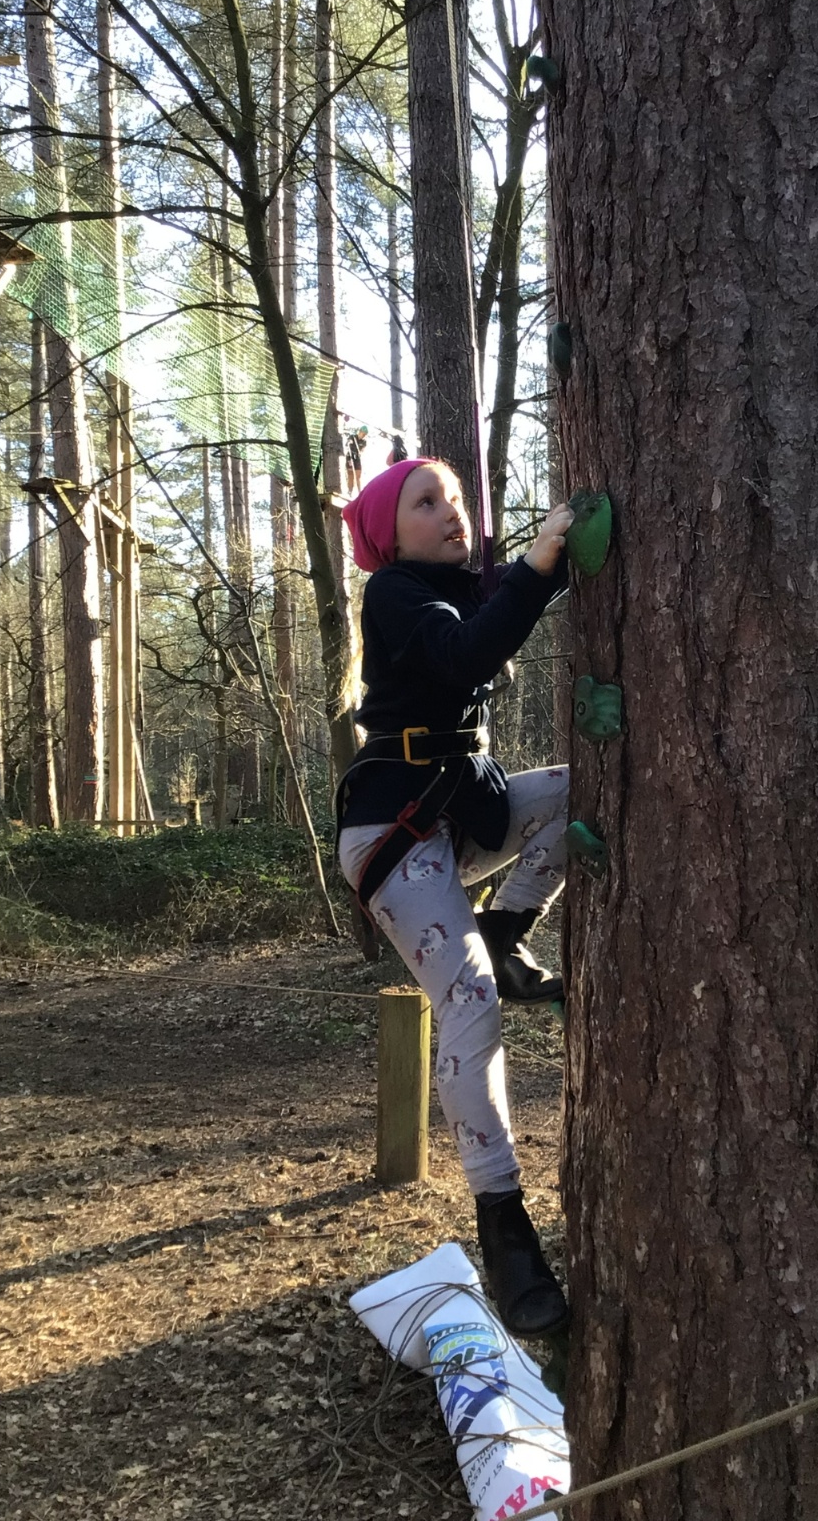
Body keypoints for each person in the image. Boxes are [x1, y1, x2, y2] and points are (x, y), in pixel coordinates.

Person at [337, 459, 574, 1337]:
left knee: (577, 789)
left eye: (455, 499)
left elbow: (499, 610)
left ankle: (506, 930)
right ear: (388, 535)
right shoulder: (395, 594)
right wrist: (536, 570)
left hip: (455, 817)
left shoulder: (454, 590)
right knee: (467, 1000)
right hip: (392, 835)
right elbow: (467, 651)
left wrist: (550, 561)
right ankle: (504, 1227)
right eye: (426, 503)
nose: (451, 512)